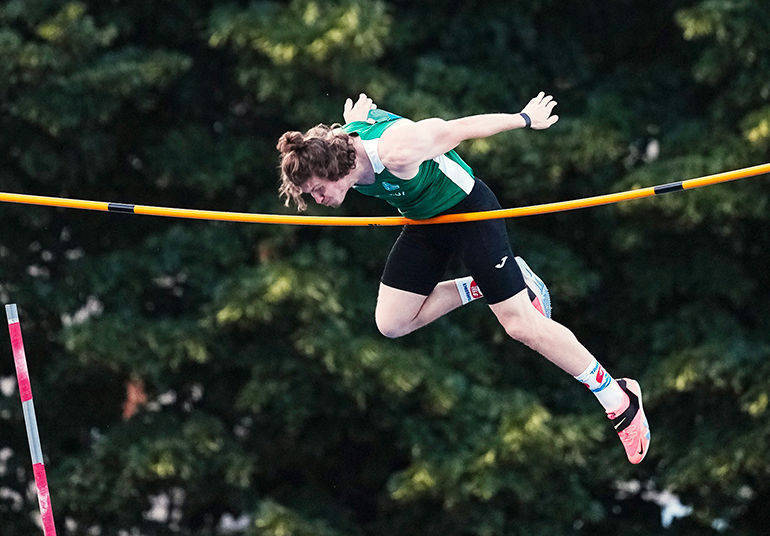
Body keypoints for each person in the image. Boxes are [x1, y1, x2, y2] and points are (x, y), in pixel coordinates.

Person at [276, 92, 650, 464]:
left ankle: (618, 398)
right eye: (311, 195)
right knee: (392, 322)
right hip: (424, 222)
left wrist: (524, 118)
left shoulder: (397, 150)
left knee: (520, 325)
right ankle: (485, 284)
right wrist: (360, 114)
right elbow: (342, 129)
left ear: (331, 169)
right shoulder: (335, 149)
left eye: (318, 190)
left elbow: (462, 128)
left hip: (469, 212)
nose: (319, 199)